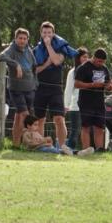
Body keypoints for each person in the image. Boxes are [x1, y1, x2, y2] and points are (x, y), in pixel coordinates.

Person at [31, 22, 80, 151]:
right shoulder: (35, 50)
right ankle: (40, 146)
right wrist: (46, 63)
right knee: (40, 119)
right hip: (40, 88)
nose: (47, 35)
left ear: (53, 33)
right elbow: (35, 70)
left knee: (59, 118)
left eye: (49, 32)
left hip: (56, 88)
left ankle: (63, 147)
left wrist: (48, 46)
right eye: (44, 32)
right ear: (41, 34)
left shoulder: (61, 48)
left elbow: (57, 61)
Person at [0, 28, 36, 144]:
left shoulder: (28, 50)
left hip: (30, 88)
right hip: (16, 88)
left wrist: (35, 83)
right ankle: (30, 143)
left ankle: (16, 143)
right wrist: (16, 64)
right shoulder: (11, 49)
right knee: (25, 115)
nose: (22, 41)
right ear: (15, 39)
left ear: (27, 40)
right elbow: (1, 57)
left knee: (19, 116)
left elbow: (34, 66)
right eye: (20, 38)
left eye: (24, 39)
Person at [63, 48, 88, 149]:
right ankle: (69, 150)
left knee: (86, 130)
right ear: (78, 58)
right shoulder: (72, 72)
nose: (86, 59)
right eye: (84, 57)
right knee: (75, 131)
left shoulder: (90, 71)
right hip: (75, 107)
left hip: (88, 106)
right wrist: (66, 105)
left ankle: (85, 150)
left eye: (87, 57)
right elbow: (68, 90)